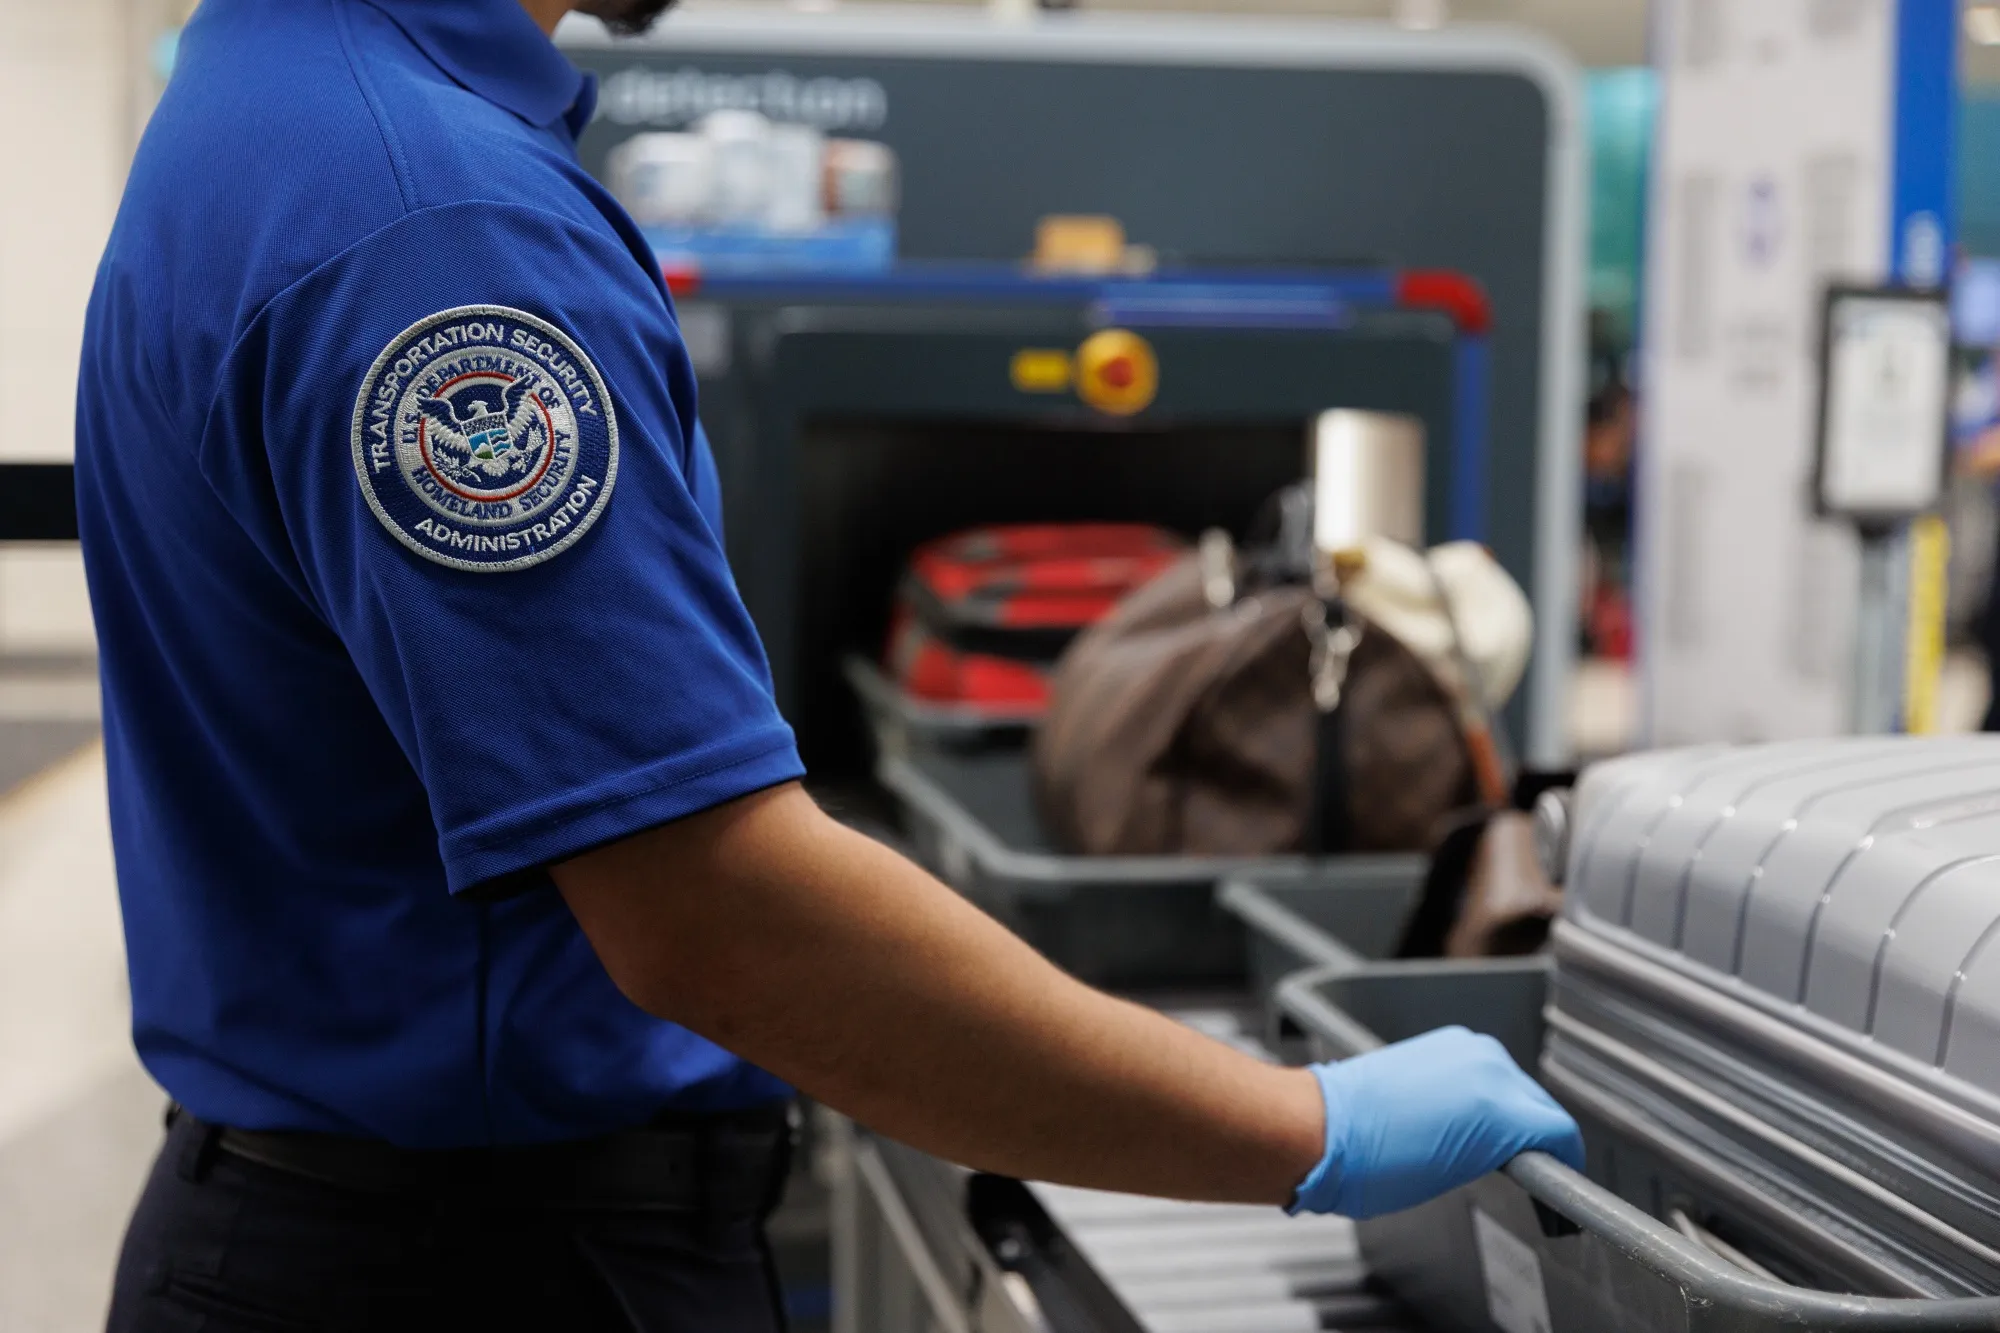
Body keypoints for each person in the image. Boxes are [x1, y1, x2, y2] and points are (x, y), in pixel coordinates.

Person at [75, 1, 1583, 1329]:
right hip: (477, 1262)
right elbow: (715, 916)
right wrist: (1302, 1126)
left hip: (337, 1222)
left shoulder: (269, 97)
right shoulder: (427, 223)